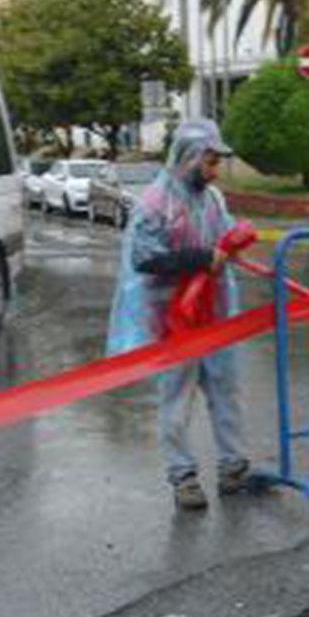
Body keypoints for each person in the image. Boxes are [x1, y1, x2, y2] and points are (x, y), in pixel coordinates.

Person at [106, 119, 251, 511]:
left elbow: (223, 237)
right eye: (211, 160)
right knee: (176, 400)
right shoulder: (155, 203)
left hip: (214, 313)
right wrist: (203, 258)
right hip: (174, 320)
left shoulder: (213, 199)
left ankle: (233, 466)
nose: (215, 169)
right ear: (189, 157)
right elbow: (144, 257)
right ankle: (183, 476)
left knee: (226, 390)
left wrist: (235, 241)